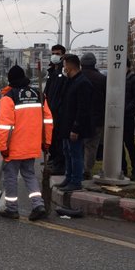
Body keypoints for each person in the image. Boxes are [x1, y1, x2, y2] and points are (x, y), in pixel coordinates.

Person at [0, 65, 53, 221]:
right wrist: (46, 142)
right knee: (29, 175)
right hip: (32, 144)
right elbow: (48, 120)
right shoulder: (39, 95)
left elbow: (5, 126)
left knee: (10, 177)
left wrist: (3, 146)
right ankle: (38, 205)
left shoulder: (9, 97)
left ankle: (12, 208)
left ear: (10, 79)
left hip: (14, 146)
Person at [55, 54, 93, 192]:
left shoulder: (83, 83)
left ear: (70, 65)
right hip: (66, 124)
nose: (63, 68)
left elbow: (83, 109)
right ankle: (69, 177)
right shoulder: (70, 81)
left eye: (64, 65)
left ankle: (76, 180)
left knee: (75, 153)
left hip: (75, 127)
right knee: (67, 152)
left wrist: (76, 128)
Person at [80, 53, 107, 179]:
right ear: (94, 63)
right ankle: (87, 170)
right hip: (97, 118)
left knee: (78, 145)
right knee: (91, 146)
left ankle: (77, 168)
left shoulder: (77, 77)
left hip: (79, 118)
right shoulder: (102, 79)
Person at [44, 44, 68, 174]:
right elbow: (48, 90)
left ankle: (59, 164)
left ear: (63, 55)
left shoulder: (63, 72)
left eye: (58, 54)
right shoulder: (51, 71)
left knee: (58, 138)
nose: (55, 56)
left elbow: (62, 93)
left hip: (59, 111)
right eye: (53, 53)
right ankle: (53, 158)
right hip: (50, 110)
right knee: (51, 137)